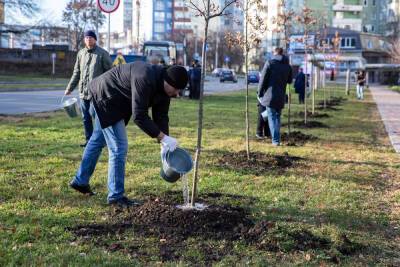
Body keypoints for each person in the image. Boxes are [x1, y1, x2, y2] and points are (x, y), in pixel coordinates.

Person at [68, 62, 189, 207]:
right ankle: (115, 197)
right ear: (167, 82)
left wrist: (164, 142)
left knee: (98, 140)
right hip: (106, 96)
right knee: (119, 148)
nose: (177, 94)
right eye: (176, 89)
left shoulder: (165, 90)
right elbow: (139, 116)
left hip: (117, 101)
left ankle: (80, 181)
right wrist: (161, 137)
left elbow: (161, 116)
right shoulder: (144, 77)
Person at [65, 30, 112, 147]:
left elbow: (110, 73)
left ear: (95, 39)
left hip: (97, 93)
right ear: (84, 40)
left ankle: (102, 140)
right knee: (85, 118)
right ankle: (89, 141)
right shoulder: (81, 53)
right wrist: (69, 88)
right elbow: (76, 72)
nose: (88, 39)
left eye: (91, 38)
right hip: (83, 92)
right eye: (86, 38)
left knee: (98, 117)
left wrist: (107, 89)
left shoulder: (102, 54)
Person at [257, 47, 292, 146]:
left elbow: (262, 79)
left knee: (272, 117)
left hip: (270, 96)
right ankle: (276, 139)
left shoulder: (270, 63)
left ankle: (276, 141)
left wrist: (259, 92)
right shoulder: (287, 66)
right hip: (281, 96)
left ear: (275, 54)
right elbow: (289, 80)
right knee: (277, 117)